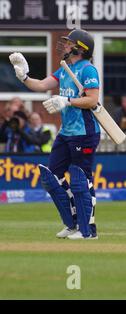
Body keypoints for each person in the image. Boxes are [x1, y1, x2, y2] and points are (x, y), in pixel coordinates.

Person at [9, 29, 101, 239]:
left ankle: (88, 231)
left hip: (84, 133)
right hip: (66, 132)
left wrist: (67, 101)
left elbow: (92, 100)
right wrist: (23, 76)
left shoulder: (88, 70)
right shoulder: (65, 69)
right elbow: (41, 85)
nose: (65, 46)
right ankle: (72, 223)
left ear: (80, 48)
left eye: (69, 43)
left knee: (80, 179)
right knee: (52, 177)